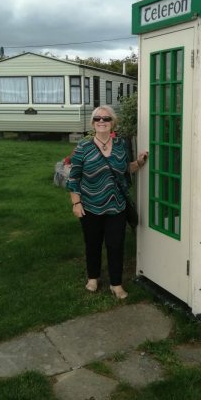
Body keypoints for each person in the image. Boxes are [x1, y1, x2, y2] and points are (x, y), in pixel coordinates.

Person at [67, 105, 148, 299]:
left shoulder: (120, 145)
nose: (102, 121)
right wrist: (76, 203)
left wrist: (138, 163)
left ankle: (116, 283)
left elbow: (123, 170)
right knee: (92, 243)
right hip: (90, 206)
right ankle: (93, 278)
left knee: (116, 245)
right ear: (93, 124)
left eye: (106, 118)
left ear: (113, 123)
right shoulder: (83, 147)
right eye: (97, 119)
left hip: (116, 206)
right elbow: (74, 178)